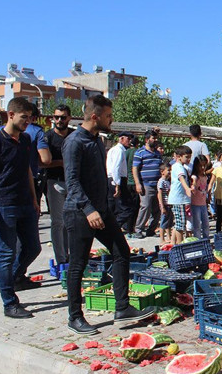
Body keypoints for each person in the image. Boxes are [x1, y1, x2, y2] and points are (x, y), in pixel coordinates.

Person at [62, 95, 155, 334]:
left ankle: (122, 308)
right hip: (80, 212)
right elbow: (72, 182)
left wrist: (103, 206)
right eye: (108, 116)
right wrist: (89, 209)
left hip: (101, 211)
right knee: (78, 264)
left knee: (121, 251)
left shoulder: (96, 141)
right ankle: (74, 317)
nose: (111, 120)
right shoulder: (74, 142)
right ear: (95, 116)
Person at [0, 97, 42, 318]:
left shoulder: (25, 141)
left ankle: (10, 279)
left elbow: (27, 172)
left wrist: (34, 200)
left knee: (33, 248)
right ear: (10, 115)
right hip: (3, 205)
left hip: (25, 203)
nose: (28, 121)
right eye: (24, 117)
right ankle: (9, 302)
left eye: (30, 117)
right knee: (6, 253)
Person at [43, 104, 73, 269]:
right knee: (57, 221)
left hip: (73, 182)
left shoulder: (74, 136)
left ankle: (70, 254)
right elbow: (42, 162)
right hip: (54, 182)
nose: (59, 120)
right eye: (56, 117)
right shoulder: (47, 137)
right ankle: (61, 258)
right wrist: (61, 162)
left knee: (72, 220)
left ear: (69, 118)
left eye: (63, 117)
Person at [131, 130, 162, 238]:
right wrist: (138, 183)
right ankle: (138, 229)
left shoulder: (158, 153)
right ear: (147, 140)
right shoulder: (139, 153)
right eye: (153, 138)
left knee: (157, 209)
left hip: (157, 185)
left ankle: (151, 230)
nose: (155, 140)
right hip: (146, 185)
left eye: (156, 138)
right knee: (145, 207)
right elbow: (135, 169)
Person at [25, 102, 51, 209]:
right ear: (34, 117)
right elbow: (45, 159)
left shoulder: (0, 131)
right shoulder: (37, 132)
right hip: (31, 179)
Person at [106, 132, 133, 227]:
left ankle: (111, 227)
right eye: (128, 139)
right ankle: (114, 227)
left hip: (114, 179)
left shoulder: (116, 150)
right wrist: (117, 184)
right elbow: (115, 168)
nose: (130, 141)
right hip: (117, 179)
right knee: (127, 208)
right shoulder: (118, 150)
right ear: (121, 139)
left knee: (114, 207)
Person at [169, 146, 192, 245]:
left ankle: (173, 243)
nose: (188, 159)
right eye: (186, 157)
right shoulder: (178, 167)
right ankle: (180, 244)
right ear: (179, 157)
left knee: (178, 223)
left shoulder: (181, 166)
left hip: (180, 199)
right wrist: (187, 189)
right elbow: (181, 178)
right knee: (180, 224)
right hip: (178, 199)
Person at [189, 155, 210, 239]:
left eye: (204, 165)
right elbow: (193, 183)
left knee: (206, 223)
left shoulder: (205, 176)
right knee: (197, 224)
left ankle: (206, 239)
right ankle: (198, 240)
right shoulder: (195, 177)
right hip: (195, 204)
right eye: (200, 165)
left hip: (203, 204)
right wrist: (193, 185)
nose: (202, 167)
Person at [123, 136, 140, 232]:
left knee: (127, 205)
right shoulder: (137, 152)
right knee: (135, 207)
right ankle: (131, 227)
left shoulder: (126, 152)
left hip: (127, 181)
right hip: (135, 182)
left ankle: (126, 226)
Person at [157, 164, 173, 245]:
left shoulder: (167, 181)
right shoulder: (161, 181)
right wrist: (162, 206)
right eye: (168, 170)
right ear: (162, 172)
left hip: (169, 204)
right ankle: (162, 239)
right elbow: (159, 194)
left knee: (169, 221)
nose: (170, 172)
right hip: (165, 204)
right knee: (163, 222)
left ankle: (168, 237)